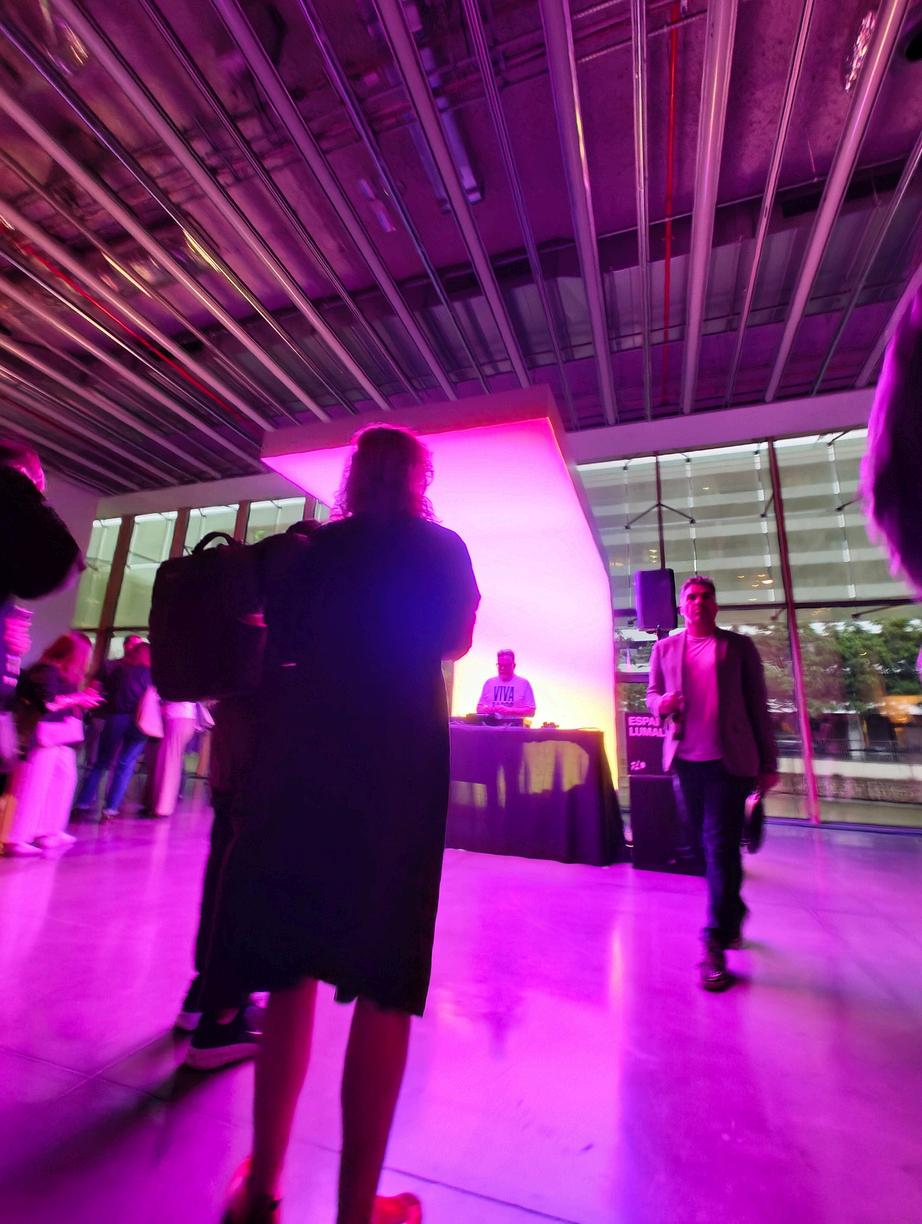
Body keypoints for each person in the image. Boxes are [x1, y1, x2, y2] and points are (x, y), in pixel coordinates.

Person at [203, 425, 479, 1224]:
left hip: (303, 763)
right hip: (398, 769)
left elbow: (278, 638)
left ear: (354, 477)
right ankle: (358, 1210)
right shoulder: (442, 549)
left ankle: (262, 1190)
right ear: (420, 478)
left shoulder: (313, 550)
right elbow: (455, 641)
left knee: (290, 969)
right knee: (385, 979)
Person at [178, 521, 321, 1071]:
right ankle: (221, 1018)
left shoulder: (250, 592)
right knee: (249, 880)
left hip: (231, 752)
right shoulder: (296, 600)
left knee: (223, 868)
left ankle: (202, 995)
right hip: (266, 757)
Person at [646, 575, 778, 992]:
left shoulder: (738, 647)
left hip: (729, 763)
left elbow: (758, 706)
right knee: (706, 847)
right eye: (692, 597)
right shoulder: (664, 649)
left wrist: (769, 762)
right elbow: (651, 694)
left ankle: (713, 941)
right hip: (686, 761)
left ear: (715, 605)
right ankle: (734, 912)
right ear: (682, 607)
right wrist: (661, 704)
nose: (699, 602)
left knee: (719, 845)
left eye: (706, 596)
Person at [0, 632, 101, 856]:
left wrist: (79, 699)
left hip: (56, 736)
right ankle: (17, 837)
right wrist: (79, 699)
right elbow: (49, 703)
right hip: (42, 735)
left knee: (61, 780)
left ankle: (47, 830)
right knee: (32, 785)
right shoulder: (46, 671)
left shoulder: (59, 673)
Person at [73, 640, 151, 821]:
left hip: (116, 718)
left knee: (101, 762)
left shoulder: (119, 671)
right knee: (126, 764)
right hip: (140, 722)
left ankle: (83, 803)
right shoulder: (152, 676)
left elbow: (104, 693)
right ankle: (111, 809)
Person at [476, 649, 536, 720]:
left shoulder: (524, 683)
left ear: (514, 666)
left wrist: (509, 711)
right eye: (500, 665)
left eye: (506, 666)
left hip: (514, 726)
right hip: (491, 726)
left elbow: (531, 711)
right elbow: (479, 708)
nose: (502, 668)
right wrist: (488, 709)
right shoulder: (489, 683)